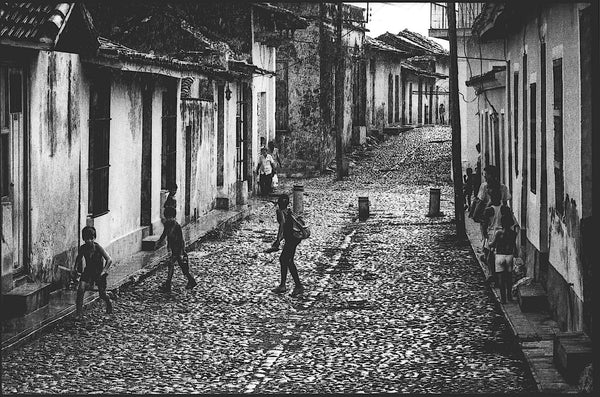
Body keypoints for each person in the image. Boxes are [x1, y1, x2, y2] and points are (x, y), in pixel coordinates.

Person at [270, 194, 305, 297]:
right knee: (285, 260)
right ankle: (283, 285)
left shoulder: (280, 212)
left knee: (287, 260)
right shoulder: (289, 211)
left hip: (291, 240)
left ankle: (297, 286)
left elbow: (282, 225)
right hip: (294, 238)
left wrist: (278, 240)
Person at [75, 226, 113, 318]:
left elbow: (109, 260)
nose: (89, 241)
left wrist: (104, 271)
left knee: (102, 294)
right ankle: (79, 313)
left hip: (99, 272)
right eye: (86, 239)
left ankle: (109, 302)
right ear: (84, 239)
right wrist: (75, 268)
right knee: (81, 289)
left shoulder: (98, 248)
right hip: (88, 271)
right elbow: (78, 258)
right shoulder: (83, 248)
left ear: (94, 238)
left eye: (91, 239)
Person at [157, 206, 197, 292]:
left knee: (171, 264)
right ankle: (191, 280)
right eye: (167, 217)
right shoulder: (167, 225)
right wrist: (159, 242)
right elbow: (164, 234)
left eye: (170, 217)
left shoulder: (177, 226)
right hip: (173, 248)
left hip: (178, 248)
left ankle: (168, 284)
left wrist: (183, 251)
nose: (169, 219)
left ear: (174, 217)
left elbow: (181, 239)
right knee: (182, 267)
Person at [489, 212, 519, 303]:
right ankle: (509, 297)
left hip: (499, 256)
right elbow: (514, 246)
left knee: (501, 278)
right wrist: (515, 254)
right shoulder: (514, 233)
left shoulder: (499, 233)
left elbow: (493, 244)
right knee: (509, 277)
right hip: (509, 256)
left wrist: (489, 243)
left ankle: (503, 299)